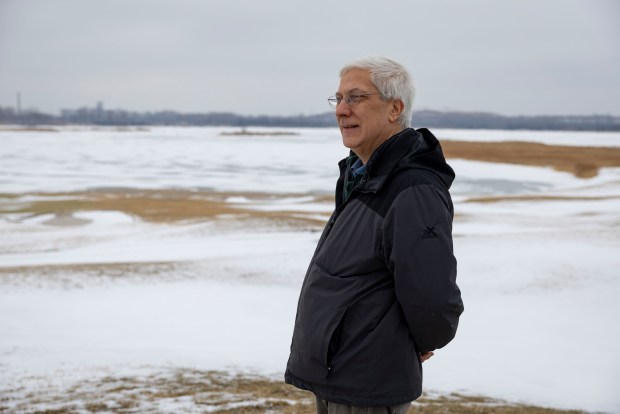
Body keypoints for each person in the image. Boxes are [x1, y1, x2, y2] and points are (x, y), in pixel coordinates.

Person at [284, 56, 464, 414]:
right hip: (340, 370)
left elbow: (430, 291)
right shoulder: (364, 175)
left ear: (395, 108)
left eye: (356, 98)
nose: (341, 110)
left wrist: (429, 336)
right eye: (338, 99)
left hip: (368, 380)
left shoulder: (411, 188)